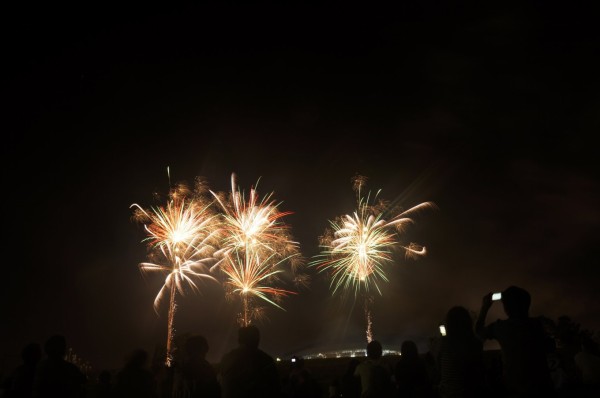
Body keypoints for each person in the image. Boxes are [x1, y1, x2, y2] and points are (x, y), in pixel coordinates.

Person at [476, 286, 556, 397]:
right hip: (543, 388)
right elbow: (553, 335)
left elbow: (479, 332)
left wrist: (484, 308)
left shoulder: (501, 327)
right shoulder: (538, 324)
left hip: (514, 389)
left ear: (506, 307)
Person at [218, 324, 281, 398]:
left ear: (239, 340)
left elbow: (221, 384)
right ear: (257, 340)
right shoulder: (265, 360)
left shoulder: (227, 358)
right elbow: (276, 388)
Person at [437, 306, 486, 398]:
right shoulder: (475, 344)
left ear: (449, 324)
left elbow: (439, 368)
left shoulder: (444, 344)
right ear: (468, 322)